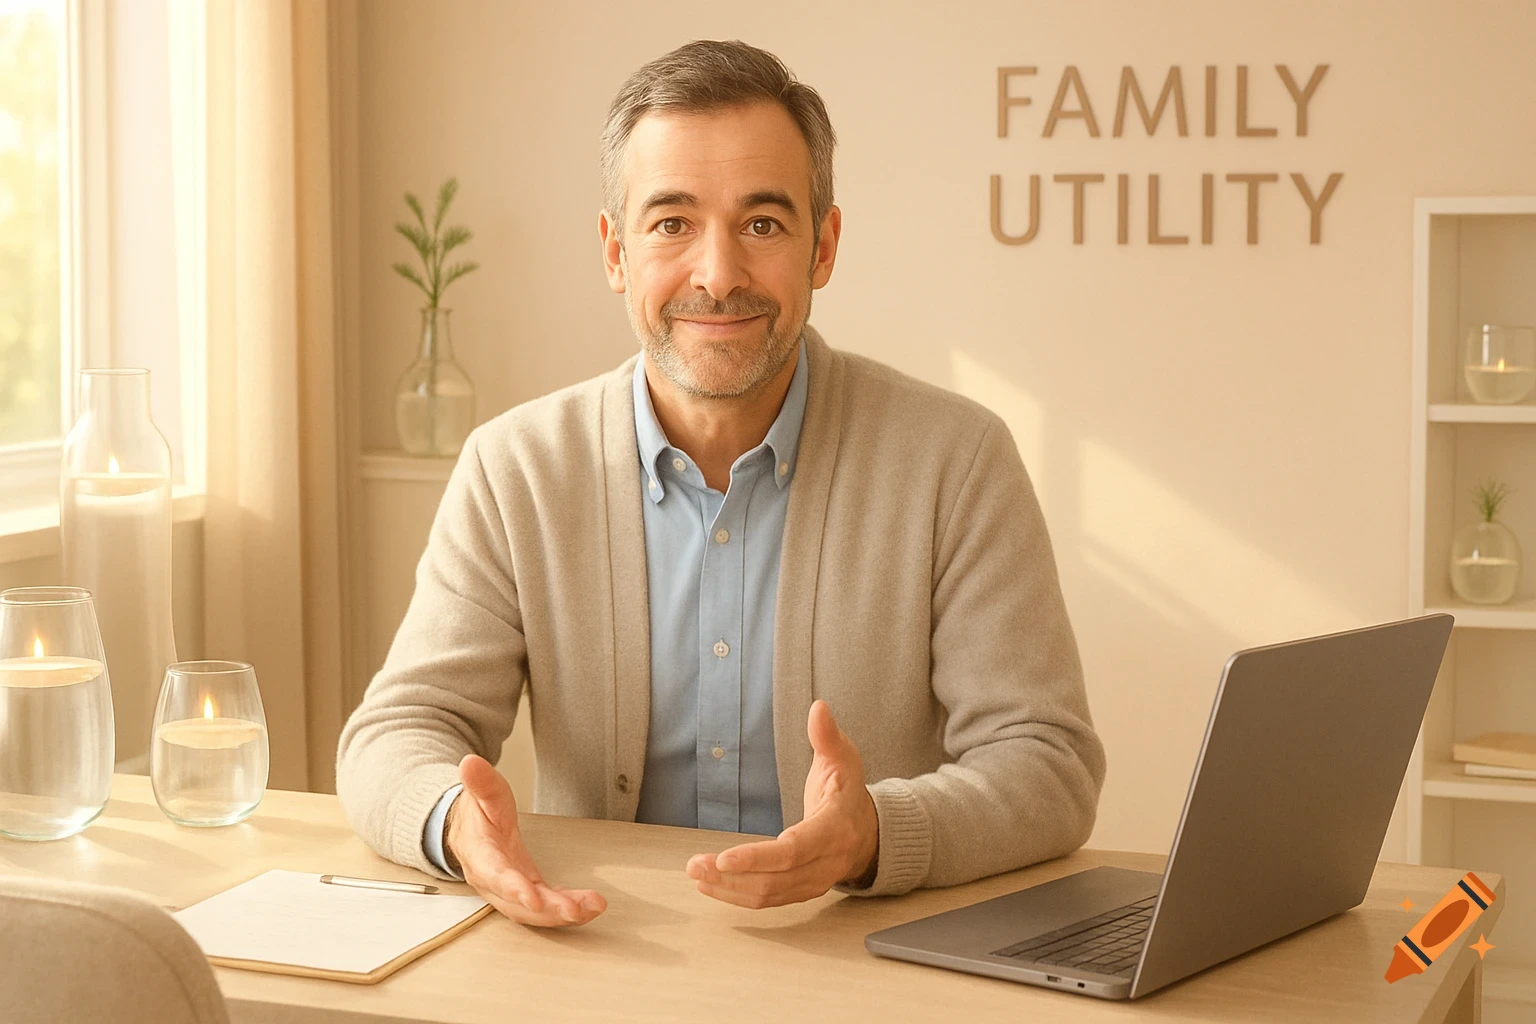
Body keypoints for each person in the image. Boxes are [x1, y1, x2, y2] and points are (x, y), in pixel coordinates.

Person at [336, 38, 1105, 929]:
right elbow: (394, 735)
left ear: (824, 245)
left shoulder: (958, 461)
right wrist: (456, 819)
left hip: (862, 965)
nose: (718, 273)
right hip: (600, 948)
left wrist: (876, 834)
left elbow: (1047, 762)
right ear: (615, 252)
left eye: (762, 224)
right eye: (671, 222)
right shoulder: (516, 469)